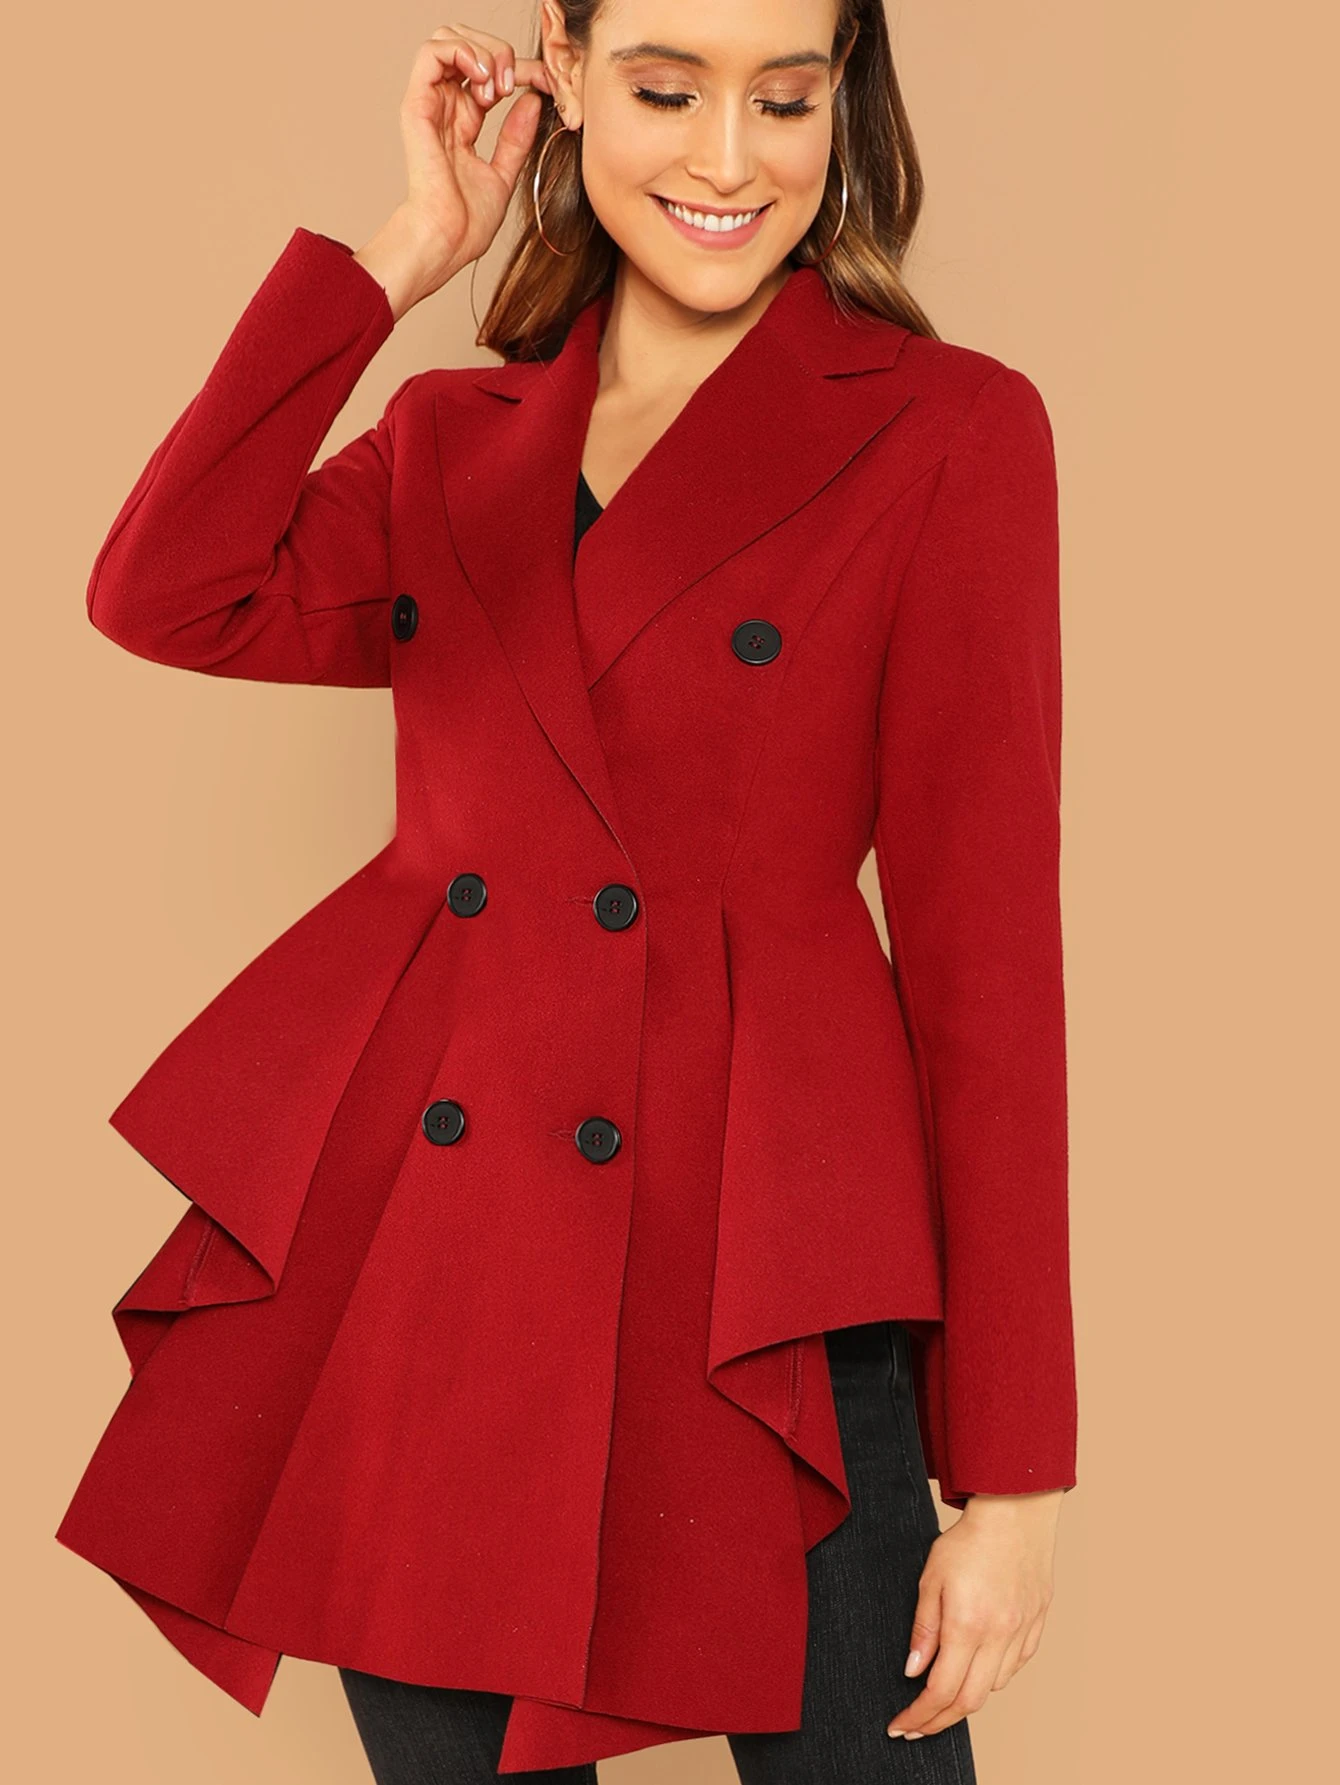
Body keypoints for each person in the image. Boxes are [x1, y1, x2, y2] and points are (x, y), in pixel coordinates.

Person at [55, 2, 1078, 1779]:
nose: (727, 160)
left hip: (767, 1272)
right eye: (667, 89)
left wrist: (1015, 1477)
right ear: (566, 67)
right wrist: (405, 256)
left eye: (787, 100)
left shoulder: (944, 429)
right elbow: (167, 590)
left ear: (844, 103)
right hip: (445, 1262)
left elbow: (986, 974)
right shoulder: (455, 436)